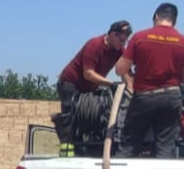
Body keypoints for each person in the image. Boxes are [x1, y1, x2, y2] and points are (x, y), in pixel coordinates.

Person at [116, 3, 184, 159]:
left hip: (144, 97)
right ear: (174, 20)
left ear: (156, 17)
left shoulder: (140, 37)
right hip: (172, 98)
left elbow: (120, 69)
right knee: (166, 149)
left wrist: (133, 78)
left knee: (129, 146)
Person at [53, 20, 132, 156]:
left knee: (93, 118)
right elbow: (88, 74)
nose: (123, 44)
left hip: (89, 88)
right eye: (121, 40)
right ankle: (67, 153)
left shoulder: (118, 51)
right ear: (112, 34)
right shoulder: (95, 45)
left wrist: (131, 90)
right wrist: (111, 84)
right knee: (70, 118)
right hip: (70, 84)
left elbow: (125, 72)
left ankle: (86, 150)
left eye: (125, 41)